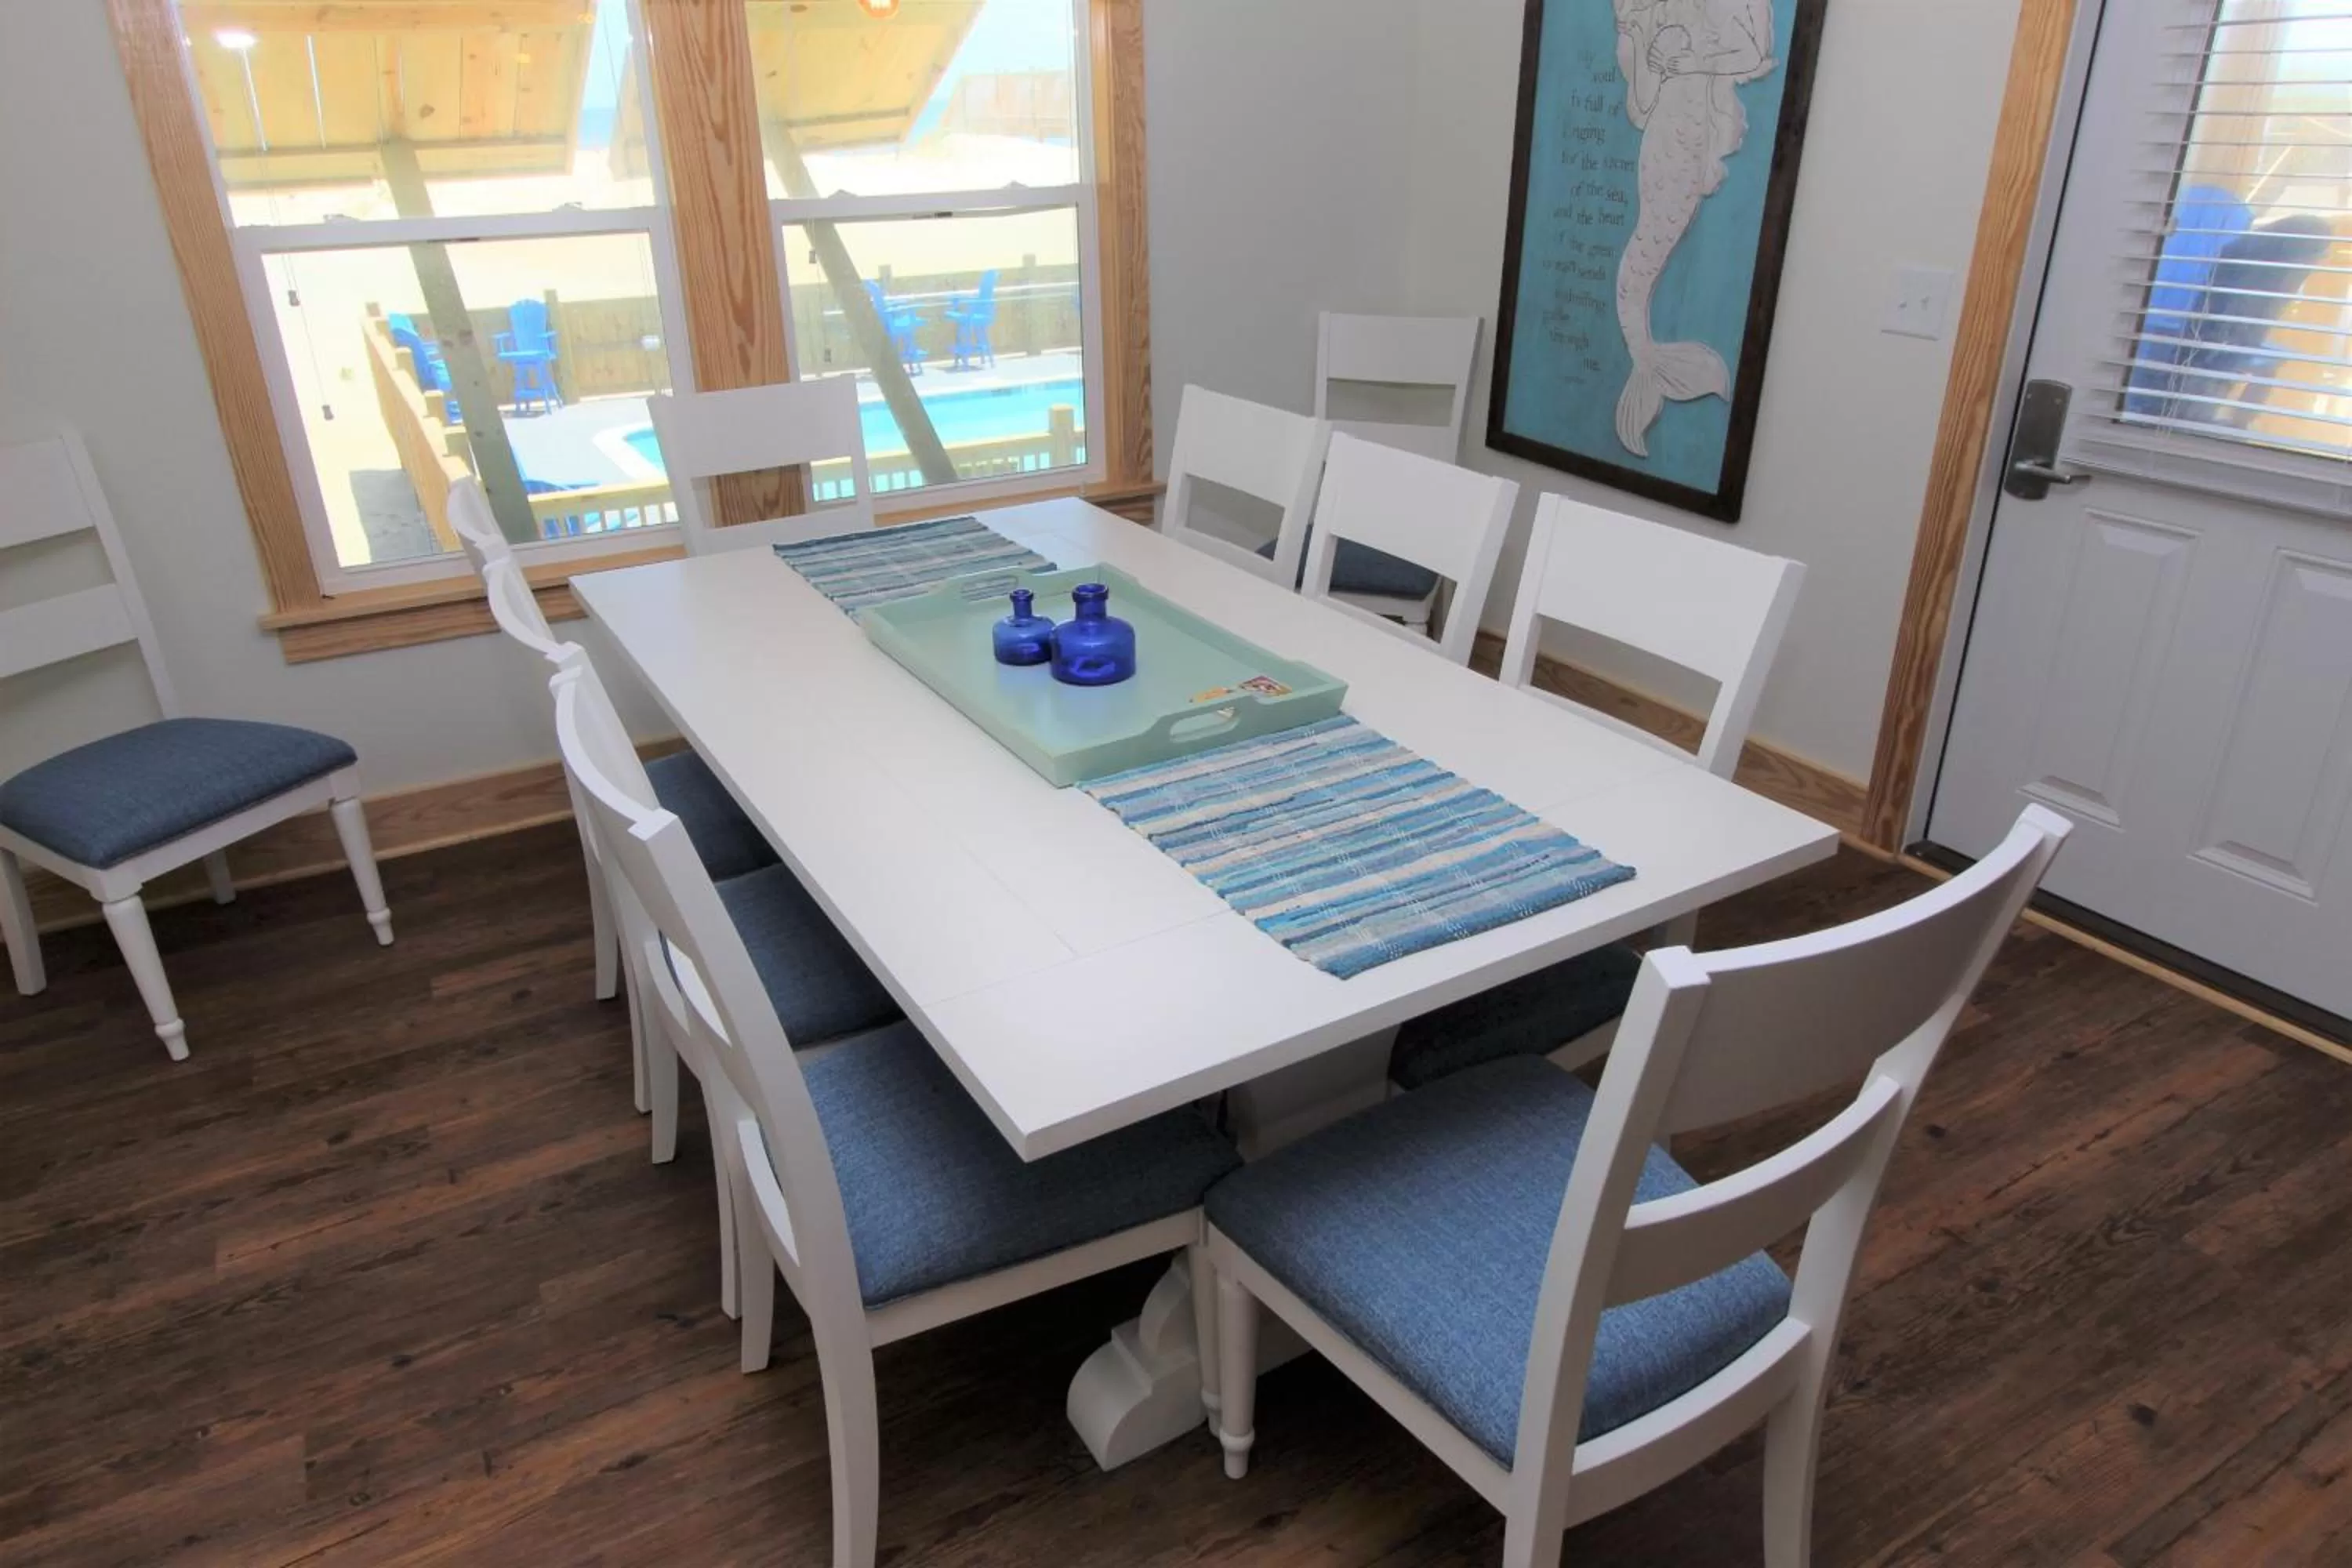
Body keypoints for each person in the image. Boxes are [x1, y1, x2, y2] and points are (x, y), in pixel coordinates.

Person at [1611, 0, 1776, 457]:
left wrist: (1694, 61)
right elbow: (1643, 99)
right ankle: (1646, 360)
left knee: (1656, 229)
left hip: (1693, 136)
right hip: (1664, 134)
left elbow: (1753, 52)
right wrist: (1644, 43)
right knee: (1646, 234)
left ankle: (1654, 367)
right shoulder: (1659, 14)